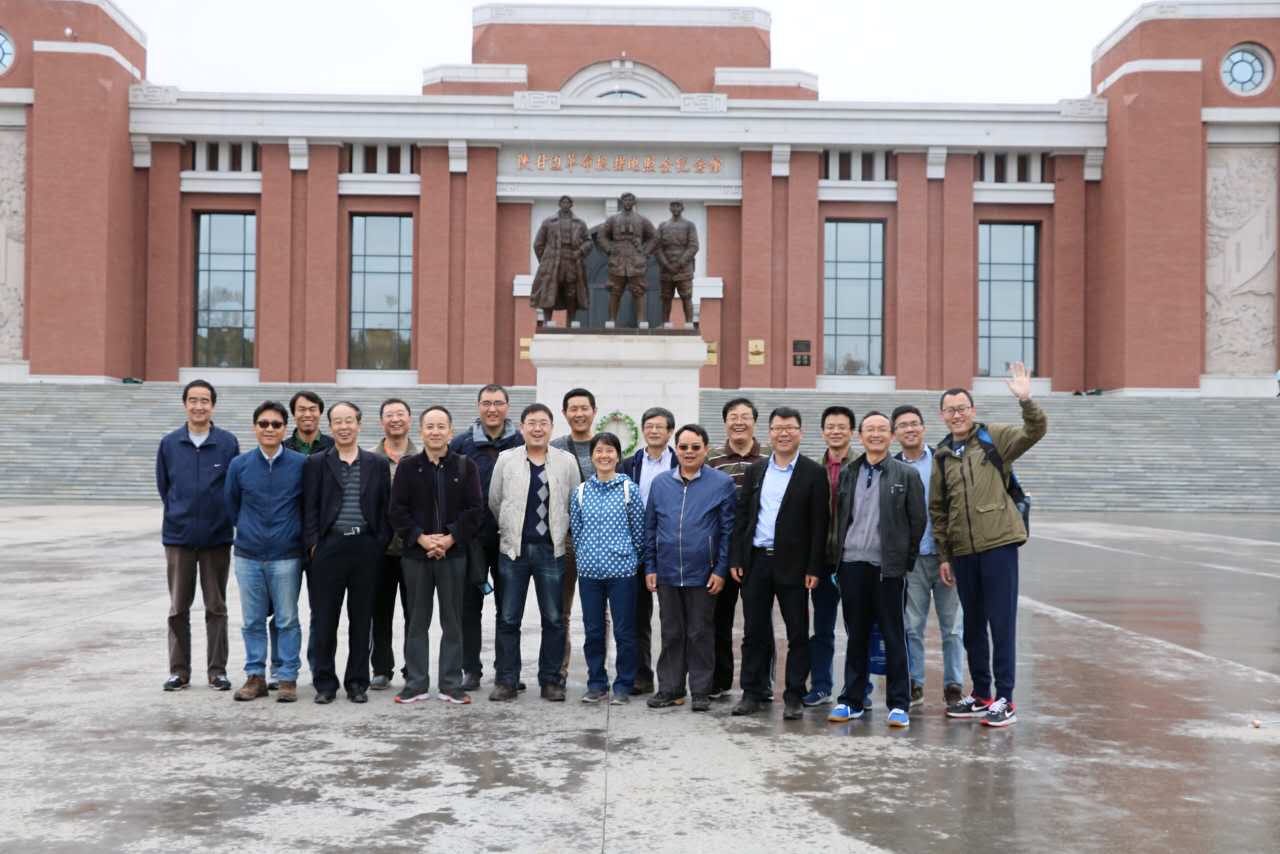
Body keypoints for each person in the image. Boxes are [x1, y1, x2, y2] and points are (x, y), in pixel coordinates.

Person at [932, 363, 1047, 728]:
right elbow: (939, 509)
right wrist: (945, 555)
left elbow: (1035, 431)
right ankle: (982, 694)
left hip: (998, 545)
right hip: (963, 552)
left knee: (1001, 623)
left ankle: (1005, 699)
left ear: (973, 410)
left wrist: (1026, 400)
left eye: (962, 408)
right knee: (972, 627)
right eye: (950, 410)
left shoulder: (992, 437)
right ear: (942, 415)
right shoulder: (941, 454)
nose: (957, 415)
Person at [826, 412, 926, 727]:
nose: (876, 434)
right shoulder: (850, 472)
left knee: (894, 635)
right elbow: (840, 517)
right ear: (860, 436)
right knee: (856, 635)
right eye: (870, 429)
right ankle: (852, 700)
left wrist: (903, 562)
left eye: (882, 429)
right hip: (851, 565)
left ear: (891, 436)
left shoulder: (906, 474)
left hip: (888, 570)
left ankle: (899, 703)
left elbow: (917, 522)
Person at [730, 407, 829, 720]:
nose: (783, 434)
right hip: (756, 560)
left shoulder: (813, 473)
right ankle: (753, 691)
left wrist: (814, 567)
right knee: (754, 632)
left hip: (795, 566)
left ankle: (794, 694)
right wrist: (737, 557)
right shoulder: (757, 470)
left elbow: (819, 525)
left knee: (797, 632)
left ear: (800, 432)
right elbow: (743, 516)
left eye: (790, 428)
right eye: (777, 428)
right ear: (769, 432)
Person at [389, 405, 484, 705]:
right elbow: (397, 510)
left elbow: (475, 510)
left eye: (441, 426)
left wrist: (450, 537)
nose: (435, 432)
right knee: (417, 621)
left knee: (452, 621)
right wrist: (421, 538)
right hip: (416, 556)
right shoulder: (408, 467)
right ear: (421, 431)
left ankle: (451, 684)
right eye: (429, 426)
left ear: (450, 432)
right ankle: (416, 683)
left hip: (453, 555)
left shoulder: (465, 466)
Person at [487, 403, 582, 702]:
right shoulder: (506, 459)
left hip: (551, 550)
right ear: (522, 427)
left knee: (553, 618)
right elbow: (495, 500)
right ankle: (507, 680)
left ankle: (551, 680)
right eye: (531, 423)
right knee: (508, 617)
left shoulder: (566, 462)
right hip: (513, 550)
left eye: (543, 423)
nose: (537, 428)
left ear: (551, 428)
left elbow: (573, 501)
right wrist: (510, 529)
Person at [302, 401, 392, 704]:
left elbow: (385, 506)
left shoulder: (376, 463)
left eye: (349, 421)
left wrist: (379, 542)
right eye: (337, 422)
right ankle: (325, 683)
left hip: (365, 548)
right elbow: (309, 507)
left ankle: (357, 683)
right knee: (325, 619)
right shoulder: (317, 463)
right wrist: (314, 544)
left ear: (359, 424)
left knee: (362, 618)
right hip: (329, 547)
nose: (343, 427)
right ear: (330, 427)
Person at [644, 424, 737, 712]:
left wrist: (720, 570)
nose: (689, 452)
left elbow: (728, 531)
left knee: (700, 633)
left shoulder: (721, 483)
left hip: (703, 574)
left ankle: (700, 690)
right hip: (668, 572)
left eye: (695, 447)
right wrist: (651, 566)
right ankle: (671, 689)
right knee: (671, 632)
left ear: (706, 449)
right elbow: (650, 528)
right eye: (683, 447)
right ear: (676, 449)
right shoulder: (661, 483)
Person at [156, 380, 240, 692]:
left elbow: (233, 488)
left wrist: (221, 519)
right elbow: (164, 487)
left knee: (216, 606)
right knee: (178, 607)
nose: (199, 406)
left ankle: (217, 671)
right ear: (185, 404)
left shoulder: (227, 443)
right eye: (193, 400)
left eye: (205, 400)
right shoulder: (170, 443)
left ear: (213, 406)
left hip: (216, 538)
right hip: (179, 538)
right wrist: (179, 514)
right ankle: (179, 671)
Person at [223, 401, 305, 703]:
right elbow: (231, 505)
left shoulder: (300, 464)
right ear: (255, 428)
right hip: (248, 555)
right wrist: (249, 530)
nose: (269, 429)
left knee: (287, 619)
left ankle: (287, 678)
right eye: (263, 424)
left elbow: (306, 505)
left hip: (286, 555)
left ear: (285, 429)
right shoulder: (240, 465)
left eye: (276, 424)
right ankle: (255, 676)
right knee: (252, 620)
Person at [450, 384, 526, 691]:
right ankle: (471, 669)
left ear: (507, 406)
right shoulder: (461, 444)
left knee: (509, 610)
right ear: (478, 406)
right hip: (472, 540)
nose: (492, 409)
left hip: (511, 539)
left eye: (498, 403)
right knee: (469, 608)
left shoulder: (521, 442)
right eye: (486, 403)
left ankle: (507, 671)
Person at [892, 404, 964, 709]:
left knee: (952, 628)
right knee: (912, 626)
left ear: (923, 427)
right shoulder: (891, 467)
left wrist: (953, 553)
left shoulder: (942, 461)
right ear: (894, 433)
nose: (909, 429)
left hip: (946, 557)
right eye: (903, 425)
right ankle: (915, 682)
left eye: (914, 423)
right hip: (912, 561)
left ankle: (954, 684)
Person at [569, 432, 644, 704]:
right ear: (592, 456)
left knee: (624, 632)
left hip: (622, 573)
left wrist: (629, 558)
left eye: (610, 450)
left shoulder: (628, 489)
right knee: (593, 632)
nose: (604, 455)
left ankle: (623, 685)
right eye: (599, 450)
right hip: (589, 574)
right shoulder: (580, 492)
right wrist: (587, 556)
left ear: (618, 456)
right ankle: (596, 683)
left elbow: (638, 532)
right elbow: (576, 532)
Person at [706, 397, 768, 701]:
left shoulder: (770, 457)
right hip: (722, 551)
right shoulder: (712, 458)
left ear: (755, 422)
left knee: (759, 622)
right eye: (733, 416)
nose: (739, 422)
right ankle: (720, 680)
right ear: (725, 422)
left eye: (745, 416)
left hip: (758, 550)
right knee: (719, 619)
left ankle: (760, 682)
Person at [620, 405, 677, 695]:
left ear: (670, 432)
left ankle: (673, 678)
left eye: (659, 427)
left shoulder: (681, 462)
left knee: (673, 619)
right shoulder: (629, 464)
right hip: (636, 549)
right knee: (637, 617)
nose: (653, 431)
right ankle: (641, 675)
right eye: (649, 426)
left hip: (670, 548)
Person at [804, 405, 857, 709]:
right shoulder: (813, 470)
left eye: (842, 427)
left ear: (852, 431)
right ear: (823, 432)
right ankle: (821, 685)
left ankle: (858, 688)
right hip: (822, 561)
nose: (836, 431)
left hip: (854, 560)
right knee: (822, 628)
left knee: (857, 629)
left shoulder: (863, 466)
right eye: (830, 427)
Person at [550, 387, 598, 685]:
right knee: (561, 612)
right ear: (565, 413)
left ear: (594, 411)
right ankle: (559, 671)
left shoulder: (604, 445)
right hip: (565, 539)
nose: (579, 414)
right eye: (573, 409)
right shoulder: (555, 448)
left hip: (598, 542)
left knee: (598, 614)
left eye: (584, 408)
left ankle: (598, 674)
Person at [370, 398, 416, 691]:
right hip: (380, 550)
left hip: (414, 549)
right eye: (389, 415)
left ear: (409, 420)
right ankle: (381, 668)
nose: (395, 419)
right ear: (381, 421)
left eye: (400, 414)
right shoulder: (369, 459)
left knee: (415, 613)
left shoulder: (421, 458)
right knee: (380, 612)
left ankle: (413, 667)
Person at [531, 195, 592, 327]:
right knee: (550, 289)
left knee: (571, 290)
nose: (565, 204)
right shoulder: (548, 222)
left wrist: (580, 251)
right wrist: (546, 260)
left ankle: (571, 321)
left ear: (571, 205)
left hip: (571, 259)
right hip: (553, 260)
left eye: (568, 202)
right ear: (559, 204)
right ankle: (547, 320)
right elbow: (538, 244)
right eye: (563, 202)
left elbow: (588, 242)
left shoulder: (580, 223)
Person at [597, 191, 657, 327]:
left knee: (638, 290)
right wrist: (609, 249)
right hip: (617, 260)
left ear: (634, 202)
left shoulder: (642, 220)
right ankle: (611, 320)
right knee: (615, 291)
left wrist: (645, 252)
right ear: (622, 201)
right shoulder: (613, 219)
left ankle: (641, 320)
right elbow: (601, 235)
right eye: (625, 200)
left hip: (636, 260)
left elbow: (654, 237)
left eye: (630, 200)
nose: (628, 202)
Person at [655, 200, 699, 327]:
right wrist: (666, 264)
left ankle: (689, 323)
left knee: (686, 296)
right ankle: (665, 323)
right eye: (673, 206)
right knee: (666, 297)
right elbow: (657, 247)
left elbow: (693, 246)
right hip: (666, 269)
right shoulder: (662, 226)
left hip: (684, 269)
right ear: (670, 208)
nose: (675, 208)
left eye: (678, 206)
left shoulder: (689, 225)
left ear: (682, 208)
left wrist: (680, 263)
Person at [284, 390, 334, 455]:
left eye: (312, 409)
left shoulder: (334, 446)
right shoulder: (282, 449)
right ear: (294, 414)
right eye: (302, 409)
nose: (307, 415)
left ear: (320, 413)